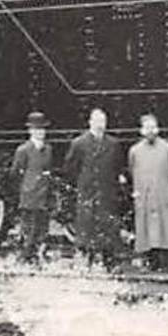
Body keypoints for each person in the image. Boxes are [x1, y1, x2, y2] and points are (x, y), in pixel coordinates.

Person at [64, 107, 123, 267]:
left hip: (106, 192)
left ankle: (109, 262)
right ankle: (87, 263)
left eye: (102, 121)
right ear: (90, 122)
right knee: (87, 230)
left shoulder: (114, 144)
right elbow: (70, 169)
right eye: (96, 121)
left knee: (108, 229)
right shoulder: (79, 143)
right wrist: (84, 182)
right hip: (88, 192)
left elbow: (117, 167)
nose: (100, 125)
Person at [128, 113, 168, 271]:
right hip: (145, 194)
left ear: (157, 129)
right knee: (146, 228)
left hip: (164, 193)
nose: (150, 131)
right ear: (141, 131)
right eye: (147, 128)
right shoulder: (135, 151)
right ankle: (152, 261)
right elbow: (132, 170)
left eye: (152, 127)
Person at [9, 111, 53, 263]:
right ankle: (25, 258)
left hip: (44, 194)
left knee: (42, 228)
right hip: (29, 194)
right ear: (31, 131)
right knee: (29, 228)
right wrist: (25, 187)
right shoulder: (23, 150)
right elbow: (15, 173)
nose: (41, 132)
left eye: (42, 129)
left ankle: (38, 256)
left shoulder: (48, 149)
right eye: (37, 129)